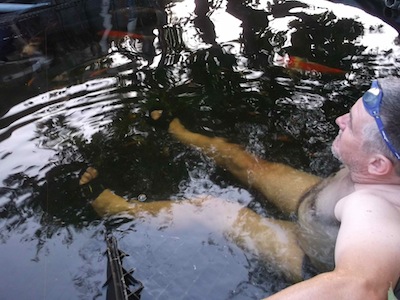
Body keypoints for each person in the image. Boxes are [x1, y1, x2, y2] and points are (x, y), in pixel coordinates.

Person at [80, 76, 400, 299]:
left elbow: (359, 287)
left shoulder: (374, 210)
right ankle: (177, 131)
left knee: (211, 209)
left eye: (351, 125)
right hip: (324, 201)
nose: (340, 120)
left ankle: (117, 209)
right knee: (247, 163)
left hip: (311, 251)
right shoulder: (383, 160)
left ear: (377, 166)